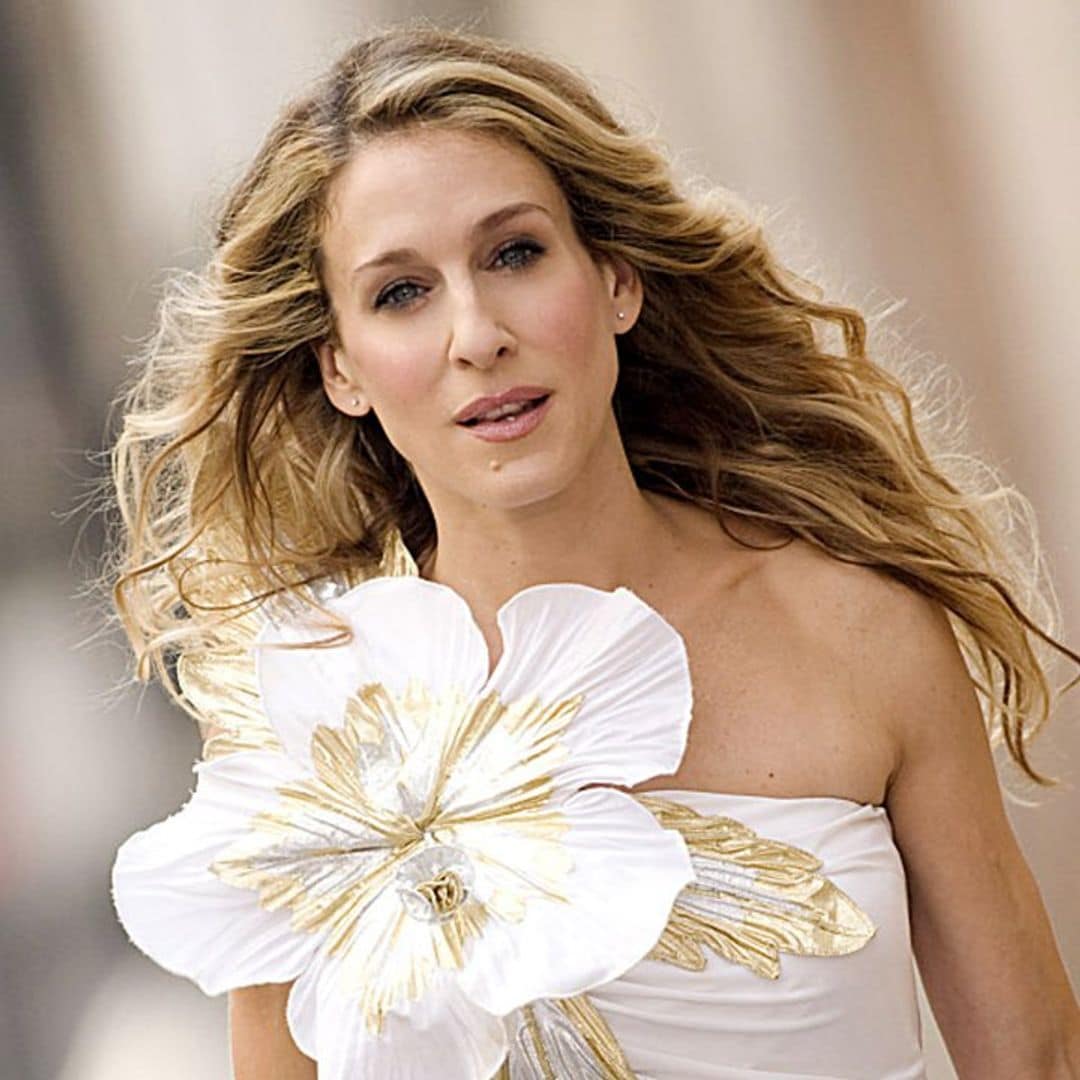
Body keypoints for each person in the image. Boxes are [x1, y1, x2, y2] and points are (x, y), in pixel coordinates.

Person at [103, 21, 1080, 1080]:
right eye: (402, 293)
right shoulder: (311, 715)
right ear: (341, 368)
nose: (477, 334)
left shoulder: (856, 630)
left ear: (616, 279)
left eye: (514, 254)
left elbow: (1035, 1055)